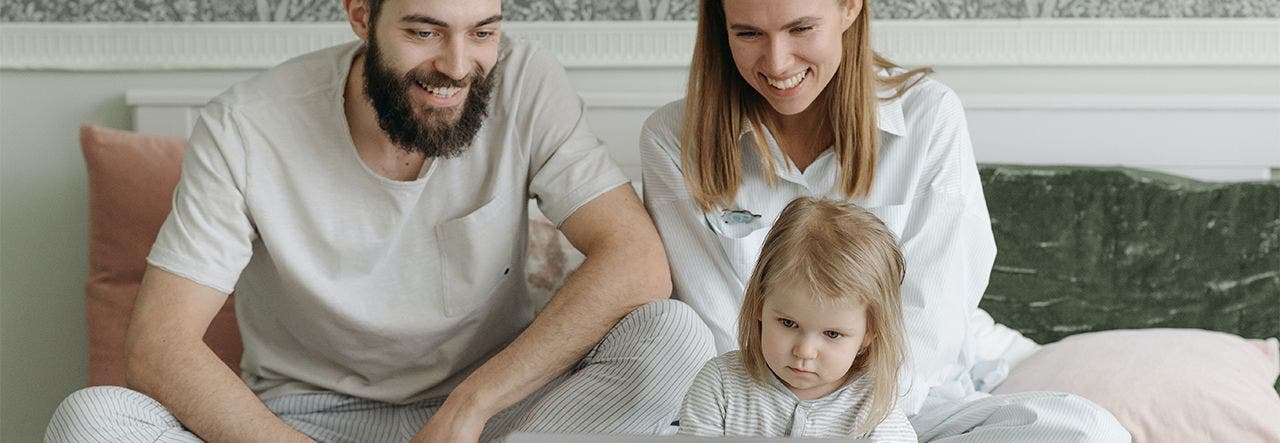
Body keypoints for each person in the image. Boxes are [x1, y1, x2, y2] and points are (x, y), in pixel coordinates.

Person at [46, 0, 714, 441]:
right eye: (424, 31)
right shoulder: (246, 125)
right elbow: (158, 344)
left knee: (675, 337)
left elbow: (636, 258)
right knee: (92, 420)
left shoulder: (525, 81)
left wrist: (470, 407)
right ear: (362, 15)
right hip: (300, 423)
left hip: (488, 419)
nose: (458, 65)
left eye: (483, 31)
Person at [640, 0, 1131, 441]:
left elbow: (933, 312)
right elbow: (721, 321)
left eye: (802, 28)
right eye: (748, 33)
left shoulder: (928, 116)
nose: (777, 62)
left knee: (1087, 430)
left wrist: (855, 417)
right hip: (753, 410)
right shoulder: (673, 139)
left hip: (900, 408)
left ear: (850, 8)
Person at [678, 197, 916, 441]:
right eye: (788, 323)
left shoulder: (877, 411)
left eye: (832, 334)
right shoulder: (720, 384)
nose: (804, 351)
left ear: (869, 333)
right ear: (760, 304)